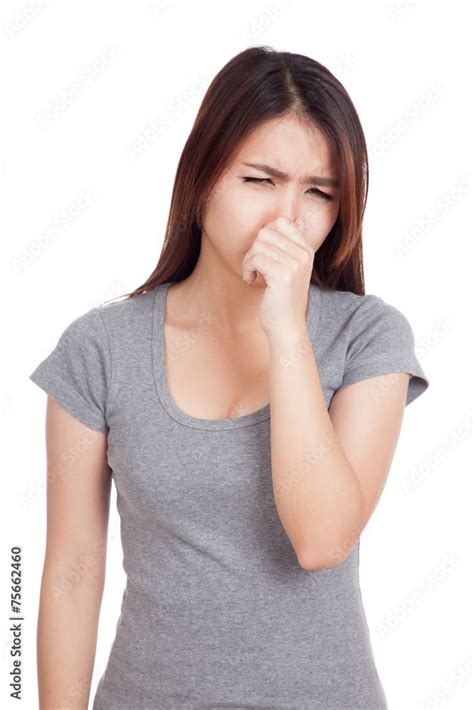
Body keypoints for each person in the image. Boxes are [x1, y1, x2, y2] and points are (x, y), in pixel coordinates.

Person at [29, 45, 430, 709]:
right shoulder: (99, 349)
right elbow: (72, 572)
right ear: (203, 176)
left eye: (318, 193)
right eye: (260, 180)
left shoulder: (367, 336)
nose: (286, 220)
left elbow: (322, 538)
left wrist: (286, 331)